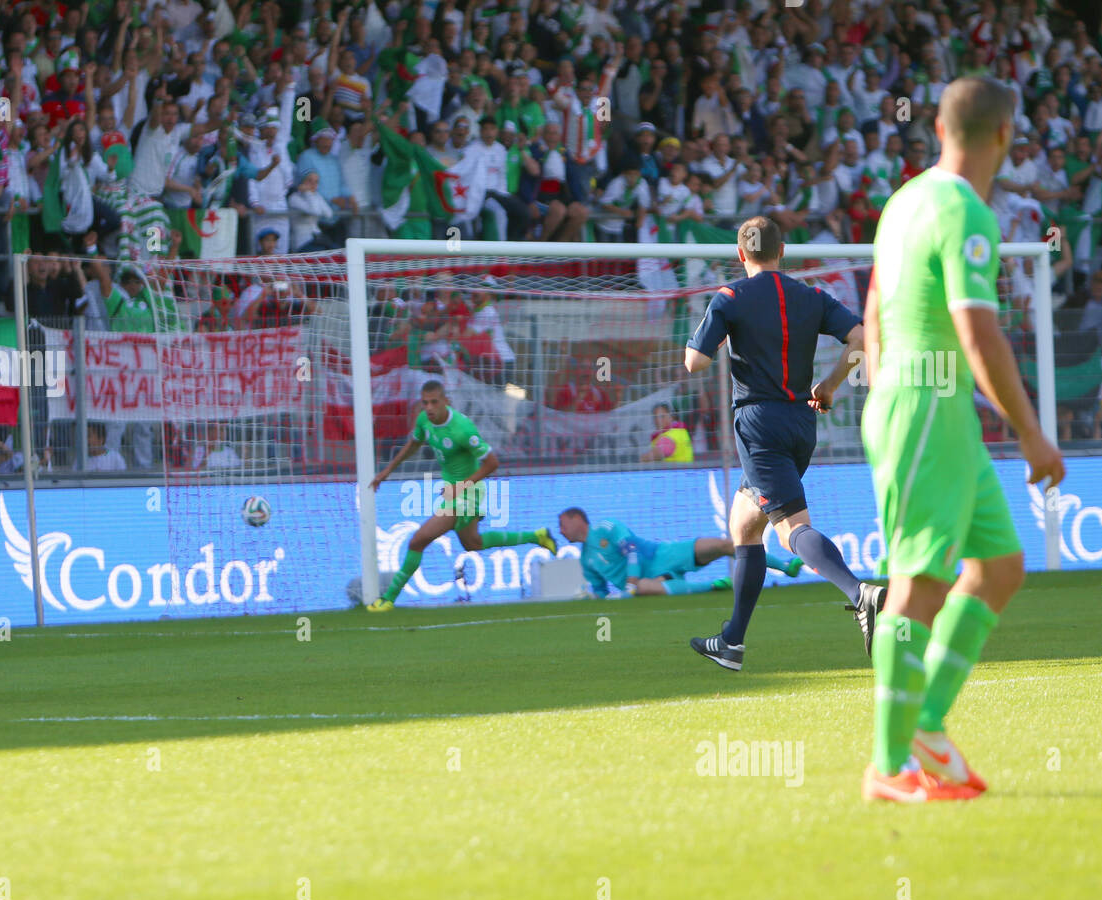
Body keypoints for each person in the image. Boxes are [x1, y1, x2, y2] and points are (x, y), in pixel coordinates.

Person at [859, 77, 1065, 803]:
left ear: (941, 128)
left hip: (932, 407)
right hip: (924, 405)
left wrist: (889, 383)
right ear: (1004, 137)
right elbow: (979, 331)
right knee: (920, 584)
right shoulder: (968, 211)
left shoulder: (904, 199)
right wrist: (1034, 435)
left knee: (1000, 567)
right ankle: (888, 765)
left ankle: (927, 726)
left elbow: (876, 303)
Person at [683, 216, 871, 671]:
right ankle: (732, 642)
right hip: (802, 421)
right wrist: (828, 385)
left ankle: (862, 595)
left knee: (789, 529)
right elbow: (862, 337)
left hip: (758, 422)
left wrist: (722, 335)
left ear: (740, 254)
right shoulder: (811, 295)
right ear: (783, 252)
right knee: (746, 524)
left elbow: (694, 363)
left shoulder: (730, 297)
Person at [365, 379, 557, 610]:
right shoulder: (424, 420)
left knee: (417, 541)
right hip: (452, 490)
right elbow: (414, 444)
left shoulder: (463, 429)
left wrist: (459, 488)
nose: (429, 407)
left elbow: (491, 463)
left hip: (469, 492)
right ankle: (537, 536)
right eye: (425, 403)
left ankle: (388, 600)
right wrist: (386, 471)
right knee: (472, 543)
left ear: (446, 401)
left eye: (434, 402)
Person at [557, 507, 802, 598]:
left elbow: (631, 550)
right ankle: (715, 585)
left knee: (724, 545)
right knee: (643, 588)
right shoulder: (586, 560)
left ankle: (785, 566)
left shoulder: (605, 528)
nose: (561, 530)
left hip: (663, 555)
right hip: (646, 583)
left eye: (563, 524)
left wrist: (630, 580)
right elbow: (600, 592)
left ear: (578, 519)